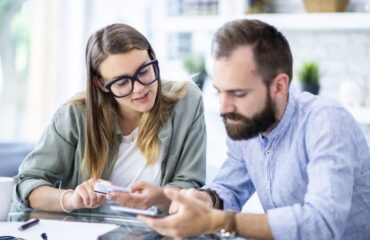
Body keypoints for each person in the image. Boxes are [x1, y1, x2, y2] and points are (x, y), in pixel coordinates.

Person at [139, 19, 370, 239]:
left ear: (279, 86)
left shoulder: (326, 121)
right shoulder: (247, 124)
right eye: (220, 92)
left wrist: (220, 222)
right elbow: (229, 187)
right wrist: (204, 199)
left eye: (238, 94)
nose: (224, 108)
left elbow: (322, 224)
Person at [13, 23, 206, 213]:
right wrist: (71, 199)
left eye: (144, 71)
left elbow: (190, 184)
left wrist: (161, 198)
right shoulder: (75, 115)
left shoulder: (187, 101)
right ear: (101, 84)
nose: (140, 88)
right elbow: (26, 183)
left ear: (153, 59)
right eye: (122, 82)